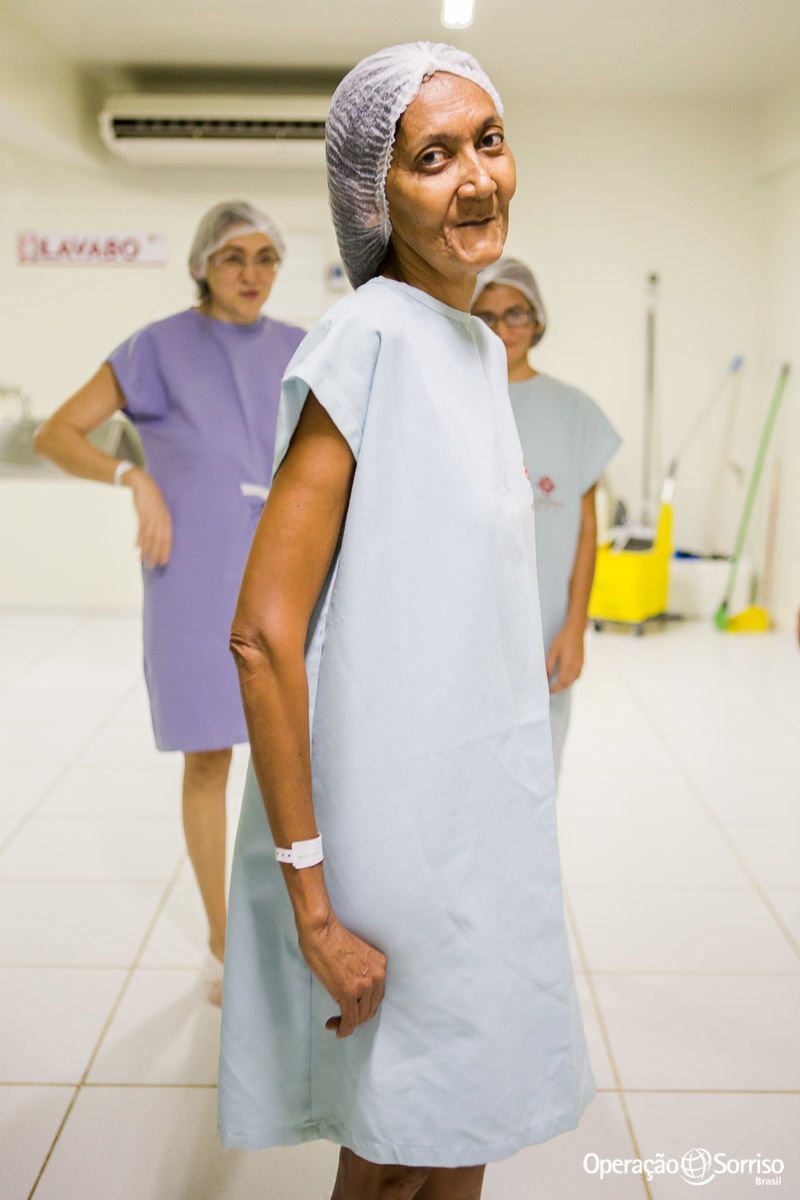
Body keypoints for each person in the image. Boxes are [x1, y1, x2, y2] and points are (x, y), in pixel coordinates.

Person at [218, 44, 594, 1200]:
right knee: (391, 1150)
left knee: (465, 1117)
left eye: (485, 139)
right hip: (386, 838)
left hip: (474, 824)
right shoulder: (368, 334)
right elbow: (261, 634)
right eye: (430, 158)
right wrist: (313, 900)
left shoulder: (474, 346)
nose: (475, 177)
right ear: (370, 199)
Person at [33, 201, 305, 1004]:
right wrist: (133, 475)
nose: (251, 274)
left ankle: (300, 922)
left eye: (264, 257)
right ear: (201, 266)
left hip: (284, 567)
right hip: (193, 573)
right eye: (232, 258)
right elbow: (58, 433)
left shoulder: (299, 347)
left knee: (298, 755)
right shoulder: (157, 349)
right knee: (209, 753)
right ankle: (225, 939)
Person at [472, 259, 621, 779]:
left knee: (534, 775)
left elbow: (585, 530)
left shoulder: (574, 411)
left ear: (537, 320)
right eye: (486, 316)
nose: (502, 329)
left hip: (546, 626)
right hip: (467, 624)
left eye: (515, 313)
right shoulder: (455, 400)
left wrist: (575, 626)